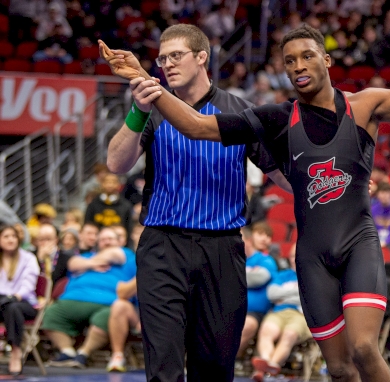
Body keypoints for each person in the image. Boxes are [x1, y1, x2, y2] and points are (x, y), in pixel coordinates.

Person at [99, 25, 390, 382]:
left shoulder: (364, 106)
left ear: (326, 59)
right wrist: (146, 82)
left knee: (365, 348)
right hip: (308, 256)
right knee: (340, 370)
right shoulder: (275, 118)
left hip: (353, 242)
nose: (299, 65)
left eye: (307, 56)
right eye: (289, 60)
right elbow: (199, 127)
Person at [103, 24, 291, 382]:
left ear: (202, 57)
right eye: (161, 58)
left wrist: (337, 181)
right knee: (163, 366)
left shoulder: (239, 110)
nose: (167, 64)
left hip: (221, 250)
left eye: (176, 55)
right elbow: (115, 163)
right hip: (162, 246)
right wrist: (137, 111)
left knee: (215, 367)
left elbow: (281, 174)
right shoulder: (151, 107)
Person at [42, 227, 136, 369]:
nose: (106, 242)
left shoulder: (128, 255)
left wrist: (86, 265)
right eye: (103, 240)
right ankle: (67, 352)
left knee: (105, 318)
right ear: (97, 243)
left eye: (110, 239)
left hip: (109, 302)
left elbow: (117, 255)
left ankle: (84, 353)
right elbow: (72, 263)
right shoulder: (87, 256)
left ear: (120, 241)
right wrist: (93, 263)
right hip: (72, 298)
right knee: (51, 314)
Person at [251, 244, 312, 381]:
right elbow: (271, 294)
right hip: (278, 313)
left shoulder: (312, 277)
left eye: (296, 256)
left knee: (289, 334)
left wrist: (283, 295)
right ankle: (266, 364)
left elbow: (311, 297)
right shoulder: (283, 275)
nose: (293, 259)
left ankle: (268, 369)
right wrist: (297, 293)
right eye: (291, 256)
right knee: (266, 330)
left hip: (300, 315)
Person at [0, 224, 40, 376]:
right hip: (1, 302)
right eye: (6, 236)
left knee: (13, 307)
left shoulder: (28, 258)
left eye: (13, 236)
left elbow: (28, 286)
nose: (10, 240)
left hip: (23, 303)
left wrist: (13, 297)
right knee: (6, 305)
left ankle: (16, 352)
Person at [238, 223, 278, 358]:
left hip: (255, 313)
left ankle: (221, 364)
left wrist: (231, 277)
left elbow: (259, 278)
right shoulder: (236, 260)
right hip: (231, 309)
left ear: (248, 240)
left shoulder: (266, 260)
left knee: (247, 325)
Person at [106, 277, 140, 372]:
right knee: (119, 305)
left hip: (168, 314)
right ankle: (118, 356)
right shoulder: (133, 263)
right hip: (139, 316)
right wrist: (144, 273)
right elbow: (122, 293)